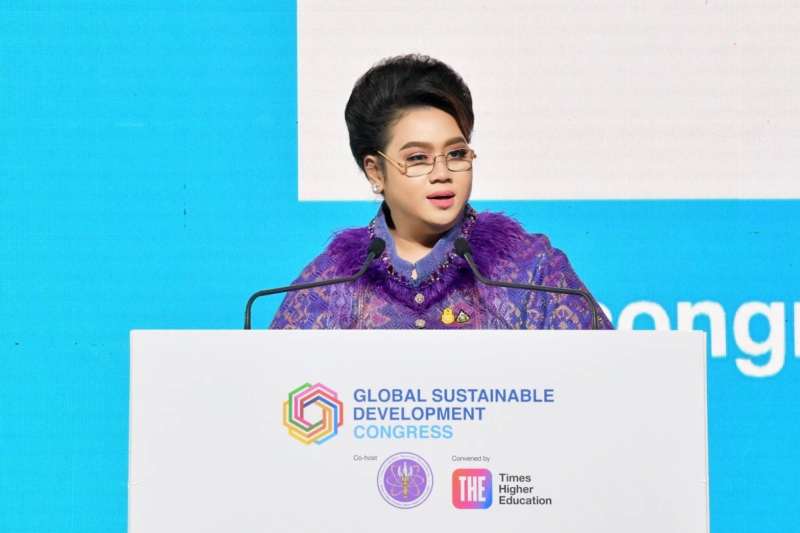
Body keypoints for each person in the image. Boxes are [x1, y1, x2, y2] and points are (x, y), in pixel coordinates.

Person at [270, 54, 612, 330]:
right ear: (375, 171)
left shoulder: (532, 270)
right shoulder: (329, 285)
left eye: (456, 153)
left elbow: (603, 378)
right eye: (417, 158)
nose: (443, 173)